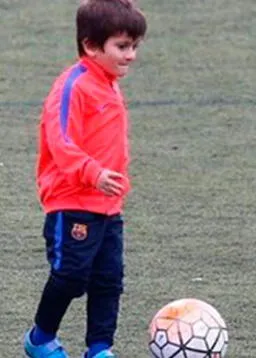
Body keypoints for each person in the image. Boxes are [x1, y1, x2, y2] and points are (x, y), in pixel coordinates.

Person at [23, 1, 146, 357]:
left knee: (109, 281)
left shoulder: (109, 83)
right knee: (71, 277)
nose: (132, 55)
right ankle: (40, 339)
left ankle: (100, 349)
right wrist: (93, 173)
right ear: (91, 45)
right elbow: (60, 141)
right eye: (122, 47)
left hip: (108, 204)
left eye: (134, 46)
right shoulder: (73, 86)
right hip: (72, 201)